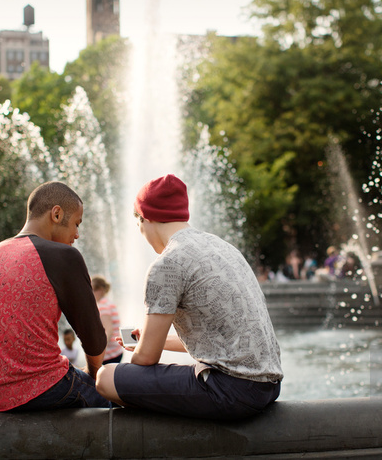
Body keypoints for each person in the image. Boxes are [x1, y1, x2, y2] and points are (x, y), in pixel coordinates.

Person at [96, 174, 283, 420]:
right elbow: (220, 338)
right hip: (268, 387)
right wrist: (156, 340)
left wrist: (145, 348)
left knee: (106, 377)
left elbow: (145, 359)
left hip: (231, 391)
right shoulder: (223, 248)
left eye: (138, 222)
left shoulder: (168, 263)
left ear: (146, 217)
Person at [0, 181, 109, 411]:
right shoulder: (63, 255)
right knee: (121, 401)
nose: (77, 234)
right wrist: (95, 378)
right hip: (47, 389)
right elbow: (94, 339)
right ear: (56, 214)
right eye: (76, 224)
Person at [92, 274, 124, 364]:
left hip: (109, 354)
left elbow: (108, 330)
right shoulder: (108, 302)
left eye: (93, 290)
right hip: (116, 351)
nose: (90, 293)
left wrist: (100, 353)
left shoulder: (103, 306)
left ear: (101, 290)